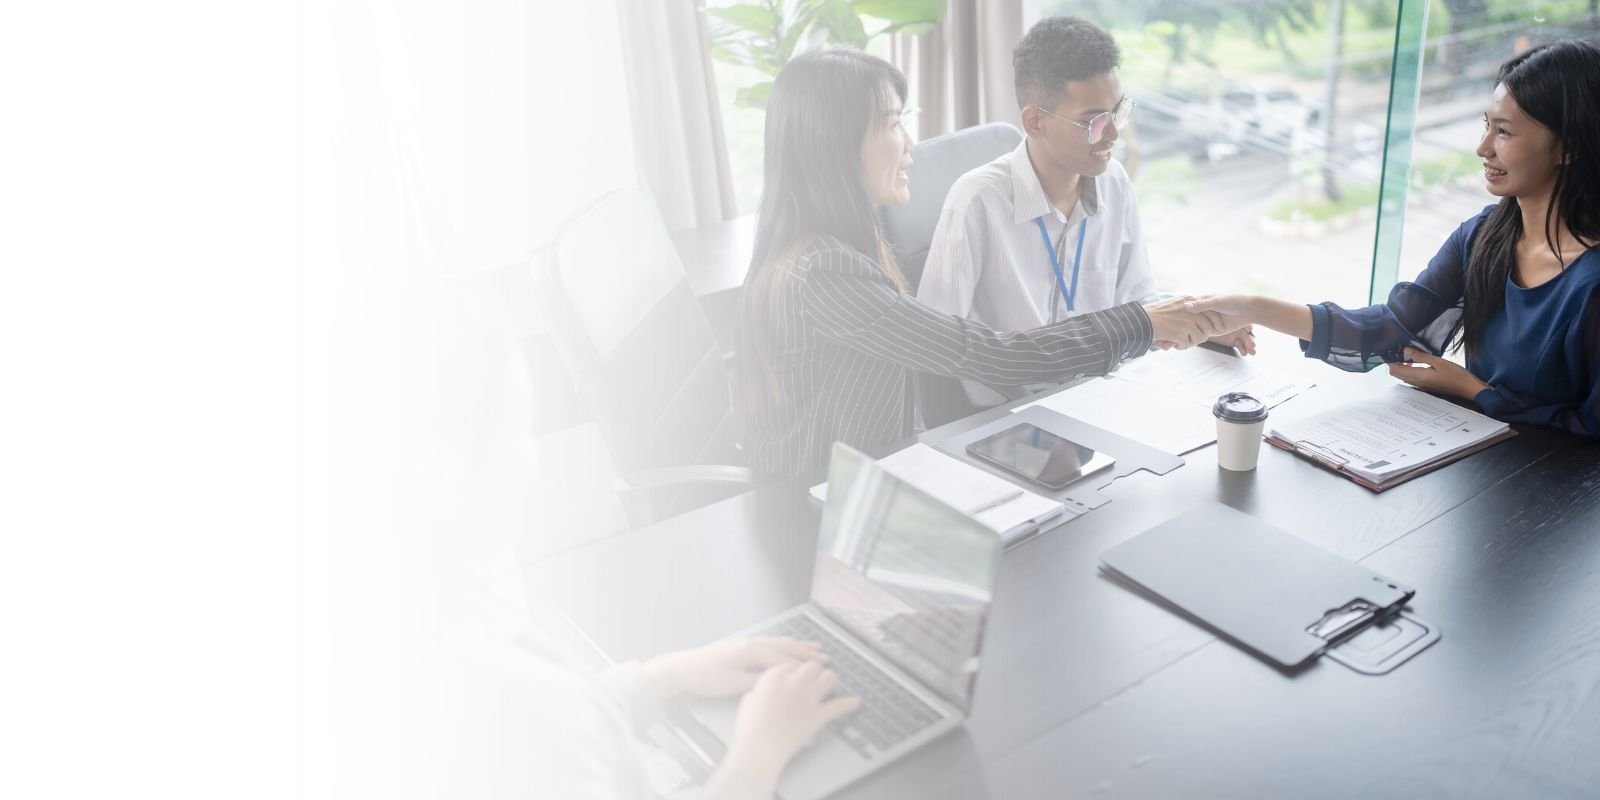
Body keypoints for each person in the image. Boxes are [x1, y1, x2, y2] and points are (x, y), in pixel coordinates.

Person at [737, 48, 1237, 478]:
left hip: (875, 473)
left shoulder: (834, 248)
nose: (910, 144)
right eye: (892, 125)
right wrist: (1143, 323)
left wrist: (1168, 319)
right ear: (835, 145)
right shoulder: (826, 275)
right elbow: (998, 356)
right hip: (821, 513)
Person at [1187, 41, 1600, 438]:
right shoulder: (1483, 236)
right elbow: (1385, 328)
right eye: (1486, 126)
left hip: (1560, 493)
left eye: (1504, 133)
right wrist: (1250, 307)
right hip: (1484, 462)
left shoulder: (1591, 283)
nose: (1482, 148)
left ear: (1567, 148)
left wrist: (1474, 391)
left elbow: (1591, 426)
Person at [917, 16, 1254, 408]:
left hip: (1101, 398)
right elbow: (936, 346)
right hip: (1010, 415)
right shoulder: (978, 200)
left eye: (1118, 111)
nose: (1113, 133)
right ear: (1035, 121)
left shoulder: (1114, 182)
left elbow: (1137, 299)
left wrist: (1198, 321)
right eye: (1093, 120)